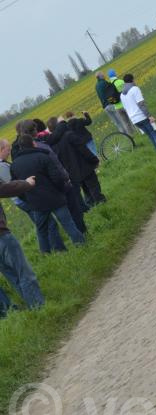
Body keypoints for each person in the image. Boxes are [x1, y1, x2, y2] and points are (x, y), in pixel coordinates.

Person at [11, 135, 85, 252]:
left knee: (41, 230)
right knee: (68, 223)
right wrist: (61, 191)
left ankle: (46, 254)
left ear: (20, 147)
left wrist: (28, 199)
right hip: (54, 198)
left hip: (36, 203)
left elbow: (17, 187)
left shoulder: (15, 164)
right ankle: (81, 246)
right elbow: (57, 178)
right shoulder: (43, 156)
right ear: (33, 143)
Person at [0, 137, 65, 253]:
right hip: (24, 199)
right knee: (49, 224)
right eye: (7, 150)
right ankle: (58, 250)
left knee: (44, 224)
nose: (9, 152)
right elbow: (13, 185)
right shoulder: (1, 167)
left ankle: (49, 251)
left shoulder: (3, 164)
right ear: (1, 150)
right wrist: (27, 186)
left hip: (23, 198)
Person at [0, 176, 45, 317]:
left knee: (11, 275)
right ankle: (39, 308)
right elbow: (5, 188)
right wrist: (26, 183)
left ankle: (33, 310)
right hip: (1, 236)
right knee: (23, 272)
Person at [47, 117, 105, 210]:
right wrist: (94, 160)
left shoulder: (52, 144)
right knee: (93, 185)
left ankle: (91, 204)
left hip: (71, 171)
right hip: (84, 165)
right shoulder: (69, 135)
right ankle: (100, 201)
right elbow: (84, 150)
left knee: (84, 187)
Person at [120, 74, 156, 153]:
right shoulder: (135, 89)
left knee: (150, 135)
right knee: (155, 133)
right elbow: (141, 104)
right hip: (142, 116)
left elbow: (125, 108)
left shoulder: (121, 95)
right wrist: (149, 116)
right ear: (132, 80)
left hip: (134, 120)